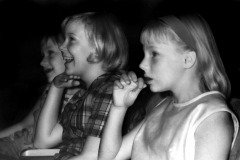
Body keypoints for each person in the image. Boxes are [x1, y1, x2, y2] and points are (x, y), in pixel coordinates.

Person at [98, 13, 239, 160]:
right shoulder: (162, 107)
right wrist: (118, 107)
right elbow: (109, 157)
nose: (142, 64)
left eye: (154, 54)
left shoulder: (211, 117)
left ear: (187, 59)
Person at [33, 12, 128, 160]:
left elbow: (91, 156)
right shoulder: (83, 95)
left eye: (71, 39)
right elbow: (42, 141)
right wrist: (56, 88)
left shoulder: (110, 90)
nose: (62, 47)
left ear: (97, 49)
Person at [0, 32, 82, 160]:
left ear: (72, 55)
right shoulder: (48, 91)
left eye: (50, 53)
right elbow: (23, 125)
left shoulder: (84, 100)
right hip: (14, 146)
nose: (42, 63)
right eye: (43, 55)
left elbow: (45, 144)